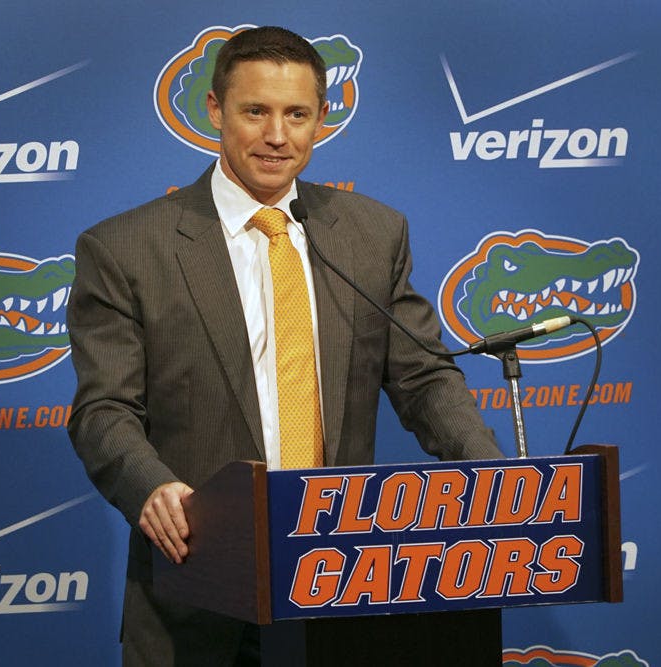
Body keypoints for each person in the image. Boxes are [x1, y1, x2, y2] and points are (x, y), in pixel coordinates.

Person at [67, 25, 502, 667]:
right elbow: (103, 411)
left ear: (322, 118)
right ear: (214, 111)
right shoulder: (127, 249)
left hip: (341, 584)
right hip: (199, 589)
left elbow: (424, 378)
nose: (278, 136)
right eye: (256, 112)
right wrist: (152, 488)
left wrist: (493, 475)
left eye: (297, 114)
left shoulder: (372, 233)